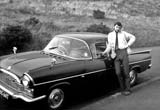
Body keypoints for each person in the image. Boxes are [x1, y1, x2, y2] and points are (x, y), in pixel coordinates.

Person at [102, 22, 136, 95]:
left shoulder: (124, 33)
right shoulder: (110, 35)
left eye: (119, 27)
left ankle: (128, 89)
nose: (117, 28)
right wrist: (105, 52)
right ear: (114, 27)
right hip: (115, 53)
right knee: (118, 73)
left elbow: (133, 37)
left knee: (126, 72)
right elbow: (109, 46)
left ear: (121, 27)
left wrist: (128, 45)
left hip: (123, 52)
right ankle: (122, 88)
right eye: (116, 27)